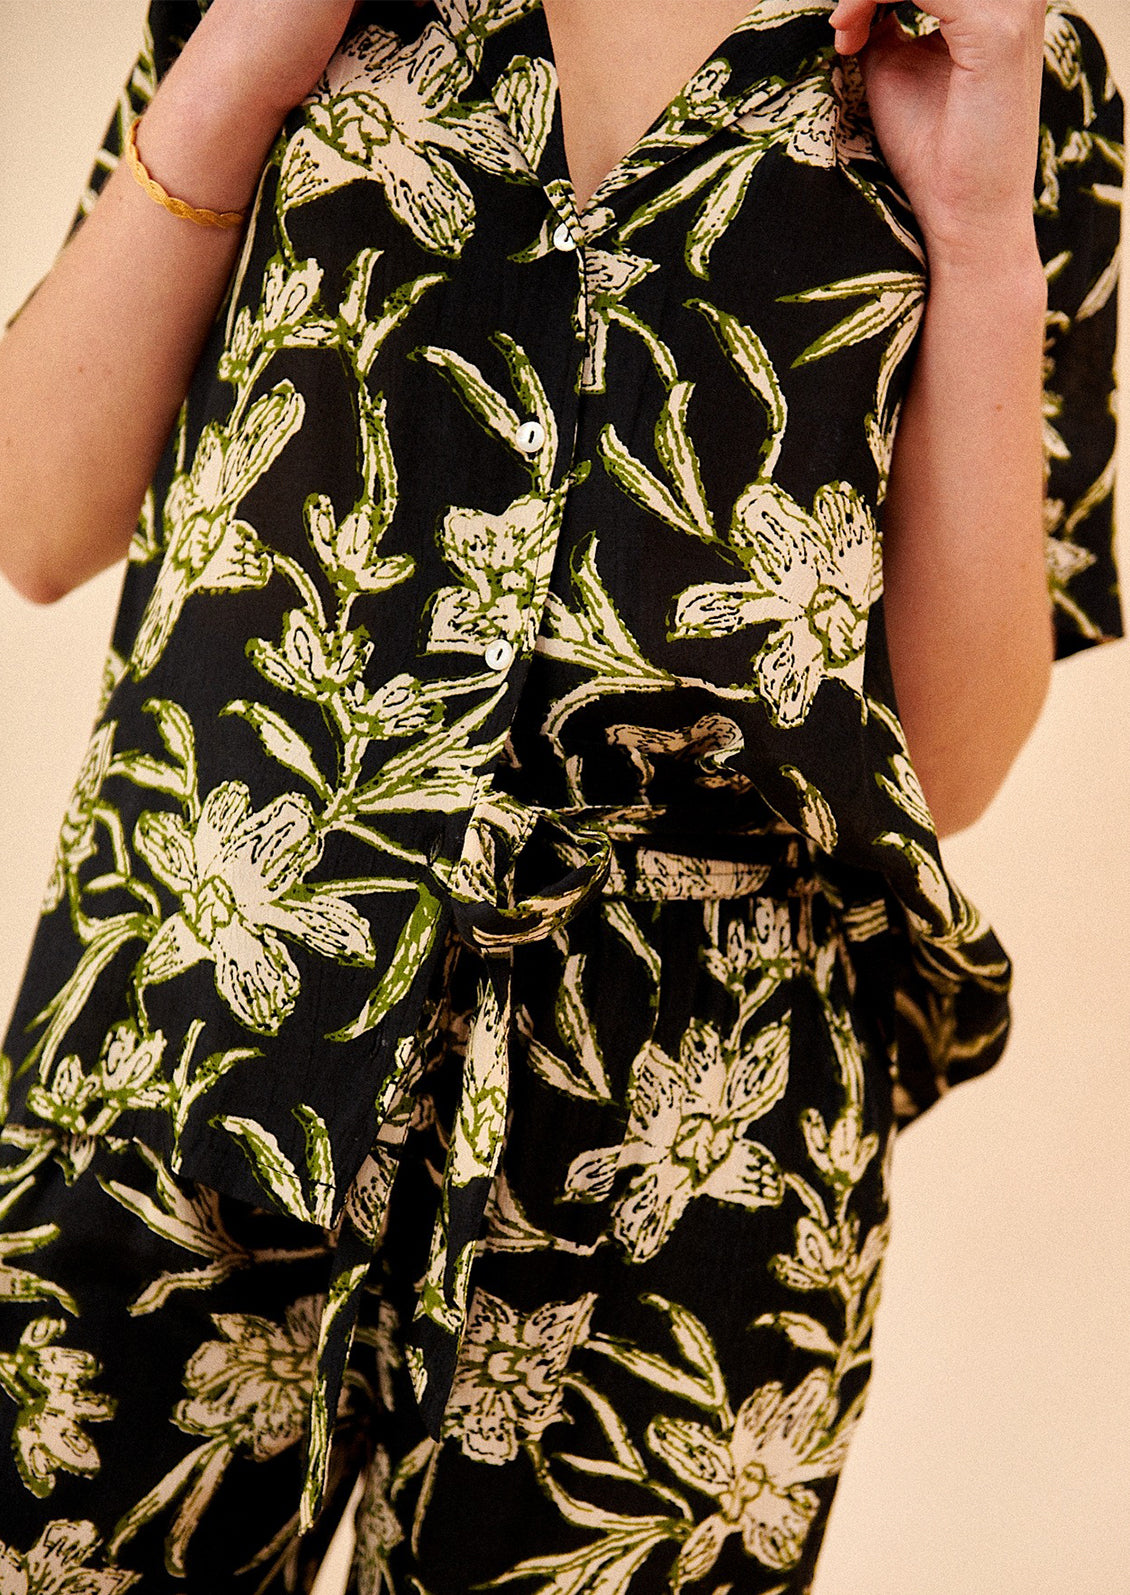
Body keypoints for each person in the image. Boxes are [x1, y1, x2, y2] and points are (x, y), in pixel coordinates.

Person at [0, 0, 1120, 1590]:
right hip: (195, 1027)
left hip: (679, 1137)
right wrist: (253, 45)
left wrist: (975, 225)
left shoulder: (1005, 60)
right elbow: (37, 513)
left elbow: (945, 759)